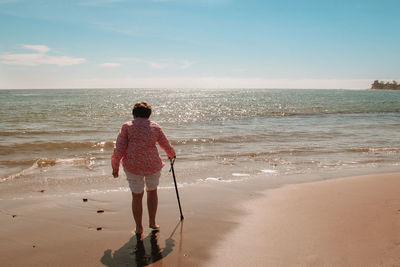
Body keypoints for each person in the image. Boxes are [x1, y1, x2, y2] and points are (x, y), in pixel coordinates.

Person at [112, 102, 176, 235]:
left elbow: (119, 148)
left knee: (137, 196)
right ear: (149, 115)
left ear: (134, 115)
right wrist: (171, 155)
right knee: (152, 192)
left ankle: (139, 227)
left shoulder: (127, 126)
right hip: (152, 165)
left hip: (133, 165)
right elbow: (165, 144)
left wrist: (115, 166)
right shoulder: (155, 127)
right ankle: (152, 222)